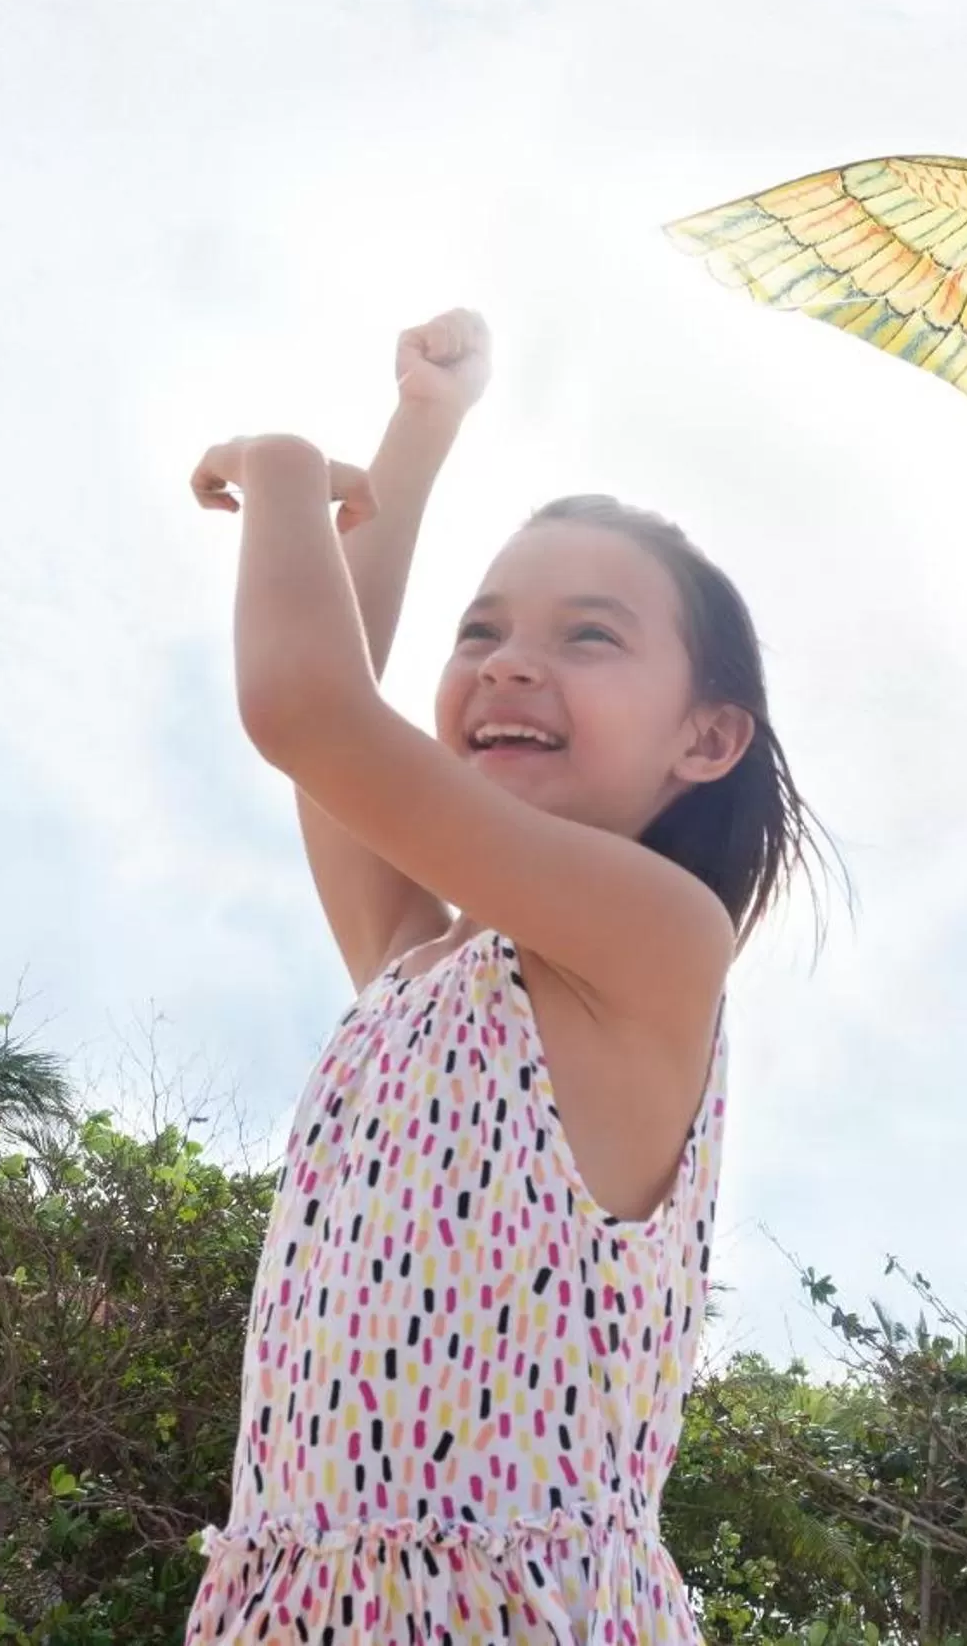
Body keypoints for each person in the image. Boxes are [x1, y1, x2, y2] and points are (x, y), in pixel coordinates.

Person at [180, 308, 820, 1644]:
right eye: (482, 633)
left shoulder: (659, 946)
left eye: (591, 637)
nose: (510, 661)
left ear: (705, 736)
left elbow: (305, 704)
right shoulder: (416, 968)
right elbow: (331, 721)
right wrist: (418, 433)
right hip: (298, 1609)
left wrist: (286, 470)